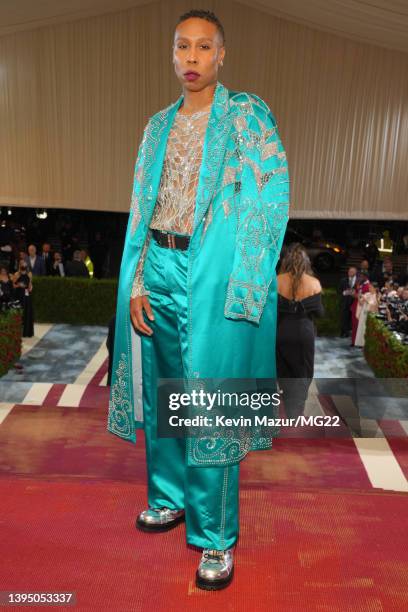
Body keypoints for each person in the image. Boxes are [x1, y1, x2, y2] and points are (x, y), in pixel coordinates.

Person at [106, 9, 289, 590]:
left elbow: (271, 195)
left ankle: (216, 538)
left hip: (211, 269)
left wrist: (246, 284)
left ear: (221, 55)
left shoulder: (245, 116)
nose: (191, 58)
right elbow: (141, 203)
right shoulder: (156, 126)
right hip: (157, 261)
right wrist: (136, 279)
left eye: (203, 47)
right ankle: (168, 496)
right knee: (166, 392)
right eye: (182, 46)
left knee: (211, 400)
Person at [276, 244, 324, 416]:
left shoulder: (277, 281)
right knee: (303, 371)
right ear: (306, 263)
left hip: (281, 332)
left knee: (284, 369)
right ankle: (296, 411)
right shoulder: (314, 283)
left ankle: (288, 405)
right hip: (304, 333)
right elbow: (319, 313)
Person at [12, 261, 34, 337]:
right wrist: (19, 285)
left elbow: (30, 285)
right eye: (21, 264)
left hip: (27, 296)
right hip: (18, 295)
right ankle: (17, 332)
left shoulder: (29, 274)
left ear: (27, 265)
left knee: (27, 313)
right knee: (19, 313)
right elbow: (13, 285)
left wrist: (30, 288)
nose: (23, 265)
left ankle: (27, 332)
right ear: (19, 265)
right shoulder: (16, 274)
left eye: (25, 264)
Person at [355, 282, 379, 347]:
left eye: (371, 287)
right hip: (364, 312)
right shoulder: (367, 294)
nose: (369, 288)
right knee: (362, 327)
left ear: (375, 288)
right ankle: (361, 343)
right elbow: (360, 303)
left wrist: (366, 300)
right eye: (369, 287)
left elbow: (374, 306)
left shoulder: (377, 295)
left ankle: (367, 344)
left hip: (370, 314)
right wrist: (359, 297)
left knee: (367, 328)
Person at [339, 266, 357, 338]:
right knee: (344, 317)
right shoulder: (343, 280)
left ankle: (351, 332)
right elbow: (339, 290)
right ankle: (344, 332)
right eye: (349, 271)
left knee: (352, 318)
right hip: (345, 302)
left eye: (352, 272)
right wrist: (344, 293)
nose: (350, 273)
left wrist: (354, 292)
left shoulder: (358, 281)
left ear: (355, 273)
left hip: (354, 302)